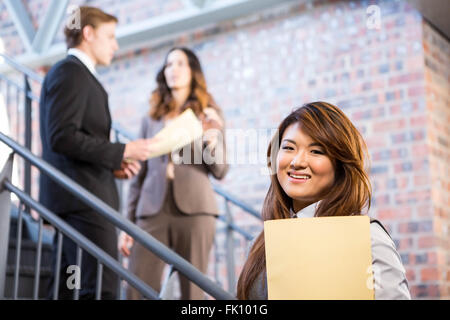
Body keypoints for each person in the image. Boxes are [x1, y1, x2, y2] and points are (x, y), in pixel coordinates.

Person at [236, 101, 411, 300]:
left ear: (340, 166)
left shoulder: (367, 237)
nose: (297, 162)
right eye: (289, 148)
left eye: (316, 151)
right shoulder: (261, 244)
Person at [39, 6, 156, 300]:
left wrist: (113, 164)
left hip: (79, 196)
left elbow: (74, 140)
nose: (115, 45)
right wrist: (123, 149)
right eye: (111, 36)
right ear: (88, 34)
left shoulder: (76, 75)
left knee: (67, 289)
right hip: (84, 202)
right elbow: (62, 136)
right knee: (100, 288)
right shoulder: (70, 72)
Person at [119, 47, 228, 300]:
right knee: (136, 288)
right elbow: (139, 174)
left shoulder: (208, 114)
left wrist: (211, 137)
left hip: (196, 210)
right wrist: (128, 224)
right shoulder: (151, 118)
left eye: (180, 64)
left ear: (192, 72)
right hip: (151, 209)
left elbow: (221, 169)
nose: (173, 70)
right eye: (168, 65)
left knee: (193, 294)